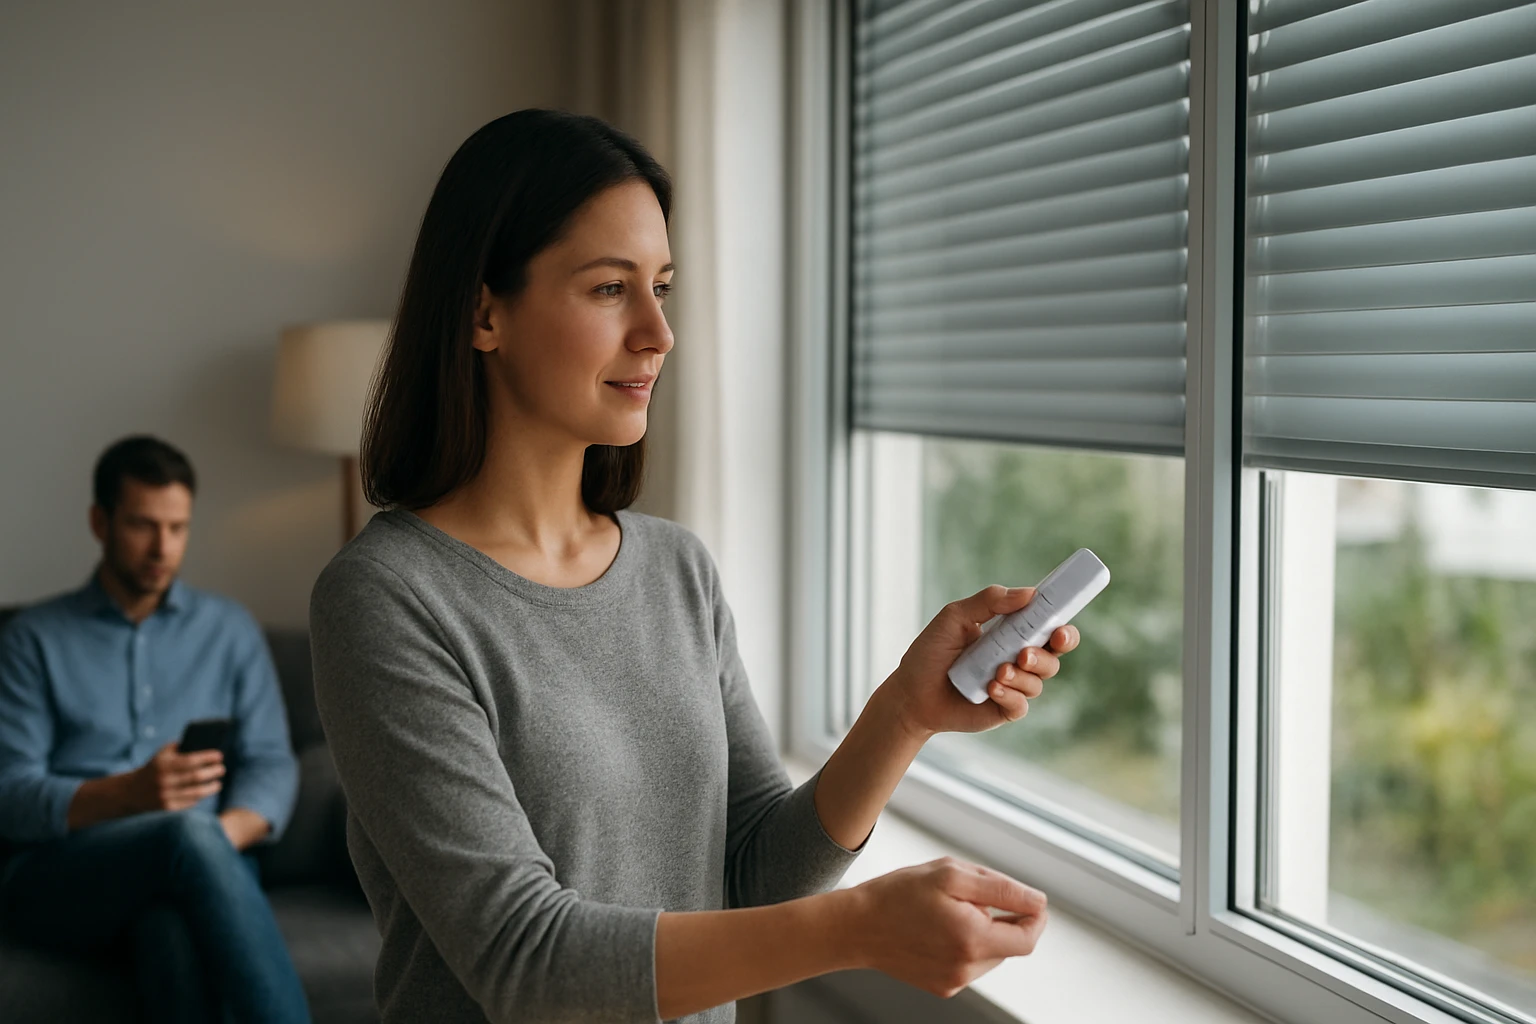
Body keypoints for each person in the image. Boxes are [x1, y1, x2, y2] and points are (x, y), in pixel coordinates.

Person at [309, 109, 1081, 1024]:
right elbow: (522, 960)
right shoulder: (387, 599)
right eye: (608, 290)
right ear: (485, 312)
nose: (658, 333)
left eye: (662, 288)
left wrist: (905, 712)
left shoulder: (678, 570)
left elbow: (752, 871)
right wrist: (858, 927)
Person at [0, 435, 310, 1024]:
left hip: (207, 853)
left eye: (178, 528)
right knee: (182, 836)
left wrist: (216, 843)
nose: (162, 549)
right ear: (100, 522)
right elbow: (9, 795)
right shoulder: (33, 640)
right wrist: (129, 796)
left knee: (167, 923)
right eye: (143, 525)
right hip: (63, 872)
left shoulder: (229, 630)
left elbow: (271, 760)